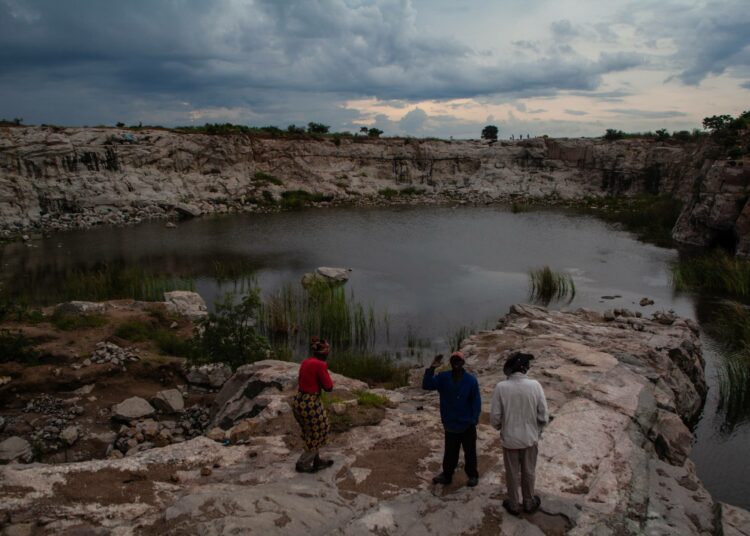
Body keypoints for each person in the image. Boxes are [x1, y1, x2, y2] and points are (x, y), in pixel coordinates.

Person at [490, 351, 549, 516]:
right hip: (530, 439)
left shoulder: (501, 387)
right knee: (529, 471)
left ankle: (514, 504)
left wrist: (501, 427)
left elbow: (495, 417)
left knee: (512, 473)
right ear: (524, 369)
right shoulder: (535, 386)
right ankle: (529, 502)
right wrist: (536, 429)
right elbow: (543, 416)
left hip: (510, 440)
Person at [423, 351, 482, 487]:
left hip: (467, 424)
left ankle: (472, 475)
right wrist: (432, 368)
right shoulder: (443, 378)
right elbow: (427, 385)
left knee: (470, 451)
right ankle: (447, 475)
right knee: (450, 451)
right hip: (450, 423)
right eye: (454, 360)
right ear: (450, 363)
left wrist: (473, 419)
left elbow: (476, 402)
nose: (456, 363)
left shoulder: (471, 380)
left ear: (463, 363)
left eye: (459, 360)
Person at [292, 337, 335, 473]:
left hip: (299, 400)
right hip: (310, 403)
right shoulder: (320, 365)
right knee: (320, 431)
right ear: (324, 352)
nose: (328, 353)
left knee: (311, 431)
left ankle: (317, 461)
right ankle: (303, 463)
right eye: (327, 350)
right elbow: (328, 387)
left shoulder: (306, 362)